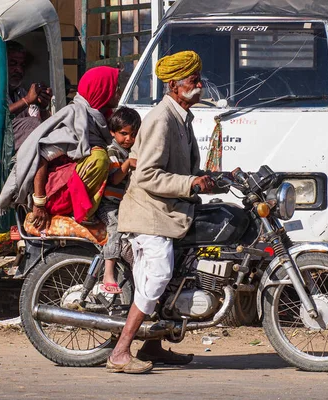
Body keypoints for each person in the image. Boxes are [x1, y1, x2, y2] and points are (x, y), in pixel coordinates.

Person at [106, 51, 214, 374]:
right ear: (174, 85)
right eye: (193, 81)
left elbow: (187, 170)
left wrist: (218, 179)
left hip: (171, 210)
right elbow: (147, 175)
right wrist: (190, 182)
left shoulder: (182, 118)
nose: (199, 86)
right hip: (149, 213)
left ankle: (153, 344)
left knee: (180, 272)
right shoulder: (160, 119)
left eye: (198, 79)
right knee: (159, 274)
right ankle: (120, 351)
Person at [0, 66, 122, 226]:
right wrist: (39, 204)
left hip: (66, 185)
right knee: (98, 157)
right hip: (51, 195)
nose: (119, 92)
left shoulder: (99, 119)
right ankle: (81, 214)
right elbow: (41, 157)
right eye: (115, 88)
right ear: (102, 90)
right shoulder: (77, 119)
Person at [96, 107, 141, 294]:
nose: (128, 139)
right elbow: (114, 178)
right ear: (113, 132)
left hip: (122, 205)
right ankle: (108, 273)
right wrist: (129, 163)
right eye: (124, 134)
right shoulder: (113, 151)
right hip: (109, 206)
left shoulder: (128, 151)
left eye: (133, 134)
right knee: (114, 231)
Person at [7, 41, 53, 151]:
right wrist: (26, 100)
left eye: (21, 65)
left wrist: (42, 107)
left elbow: (41, 124)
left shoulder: (20, 92)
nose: (18, 70)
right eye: (13, 64)